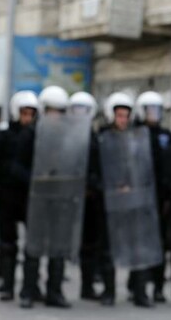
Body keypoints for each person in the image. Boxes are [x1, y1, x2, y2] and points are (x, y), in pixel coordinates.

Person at [97, 92, 162, 308]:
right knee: (109, 250)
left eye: (126, 116)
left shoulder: (138, 139)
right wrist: (111, 187)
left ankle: (140, 293)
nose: (123, 120)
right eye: (119, 116)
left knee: (138, 248)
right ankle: (109, 292)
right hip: (111, 204)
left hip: (136, 203)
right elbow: (95, 173)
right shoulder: (102, 140)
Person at [21, 85, 76, 309]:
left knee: (58, 247)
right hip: (38, 198)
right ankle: (29, 291)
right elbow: (17, 166)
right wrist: (36, 177)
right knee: (33, 246)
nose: (56, 115)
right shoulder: (30, 134)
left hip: (60, 198)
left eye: (59, 111)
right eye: (52, 110)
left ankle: (55, 291)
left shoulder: (68, 137)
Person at [0, 91, 39, 303]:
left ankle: (30, 288)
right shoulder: (2, 137)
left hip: (30, 197)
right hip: (7, 196)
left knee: (33, 245)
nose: (27, 118)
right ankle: (7, 286)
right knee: (7, 243)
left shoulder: (37, 135)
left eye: (30, 114)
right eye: (24, 113)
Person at [134, 91, 171, 303]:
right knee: (139, 243)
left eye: (157, 110)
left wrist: (168, 197)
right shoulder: (134, 134)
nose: (154, 114)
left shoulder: (167, 136)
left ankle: (158, 287)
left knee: (160, 244)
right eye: (150, 110)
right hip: (139, 196)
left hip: (160, 198)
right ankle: (137, 286)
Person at [69, 92, 104, 302]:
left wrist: (93, 186)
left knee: (90, 245)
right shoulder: (65, 135)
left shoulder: (95, 138)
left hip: (90, 199)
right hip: (69, 198)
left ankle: (87, 285)